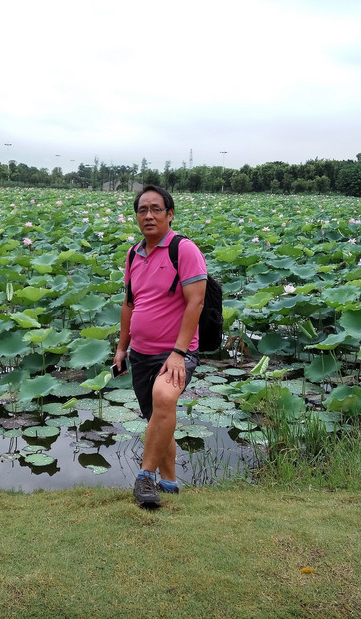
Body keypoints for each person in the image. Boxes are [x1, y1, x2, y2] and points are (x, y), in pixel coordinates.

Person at [113, 185, 207, 507]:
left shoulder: (184, 250)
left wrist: (179, 353)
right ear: (137, 216)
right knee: (158, 416)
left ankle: (144, 478)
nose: (148, 215)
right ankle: (169, 484)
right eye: (142, 210)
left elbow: (196, 303)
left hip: (176, 352)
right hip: (140, 351)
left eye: (156, 209)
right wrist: (121, 347)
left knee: (165, 397)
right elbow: (129, 303)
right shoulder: (132, 254)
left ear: (170, 214)